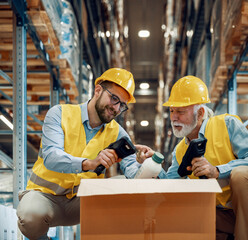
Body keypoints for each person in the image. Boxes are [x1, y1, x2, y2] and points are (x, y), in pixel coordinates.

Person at [16, 68, 150, 240]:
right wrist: (89, 163)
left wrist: (143, 165)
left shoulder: (118, 133)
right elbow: (51, 157)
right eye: (114, 98)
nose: (116, 108)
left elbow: (133, 173)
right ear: (98, 90)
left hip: (82, 202)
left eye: (122, 105)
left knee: (126, 185)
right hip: (45, 197)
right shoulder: (60, 114)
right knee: (30, 216)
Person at [159, 76, 248, 240]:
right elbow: (170, 188)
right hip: (226, 215)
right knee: (185, 210)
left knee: (241, 174)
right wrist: (151, 167)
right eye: (172, 111)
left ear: (200, 113)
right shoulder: (180, 150)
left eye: (181, 111)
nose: (174, 117)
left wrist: (217, 171)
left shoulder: (226, 124)